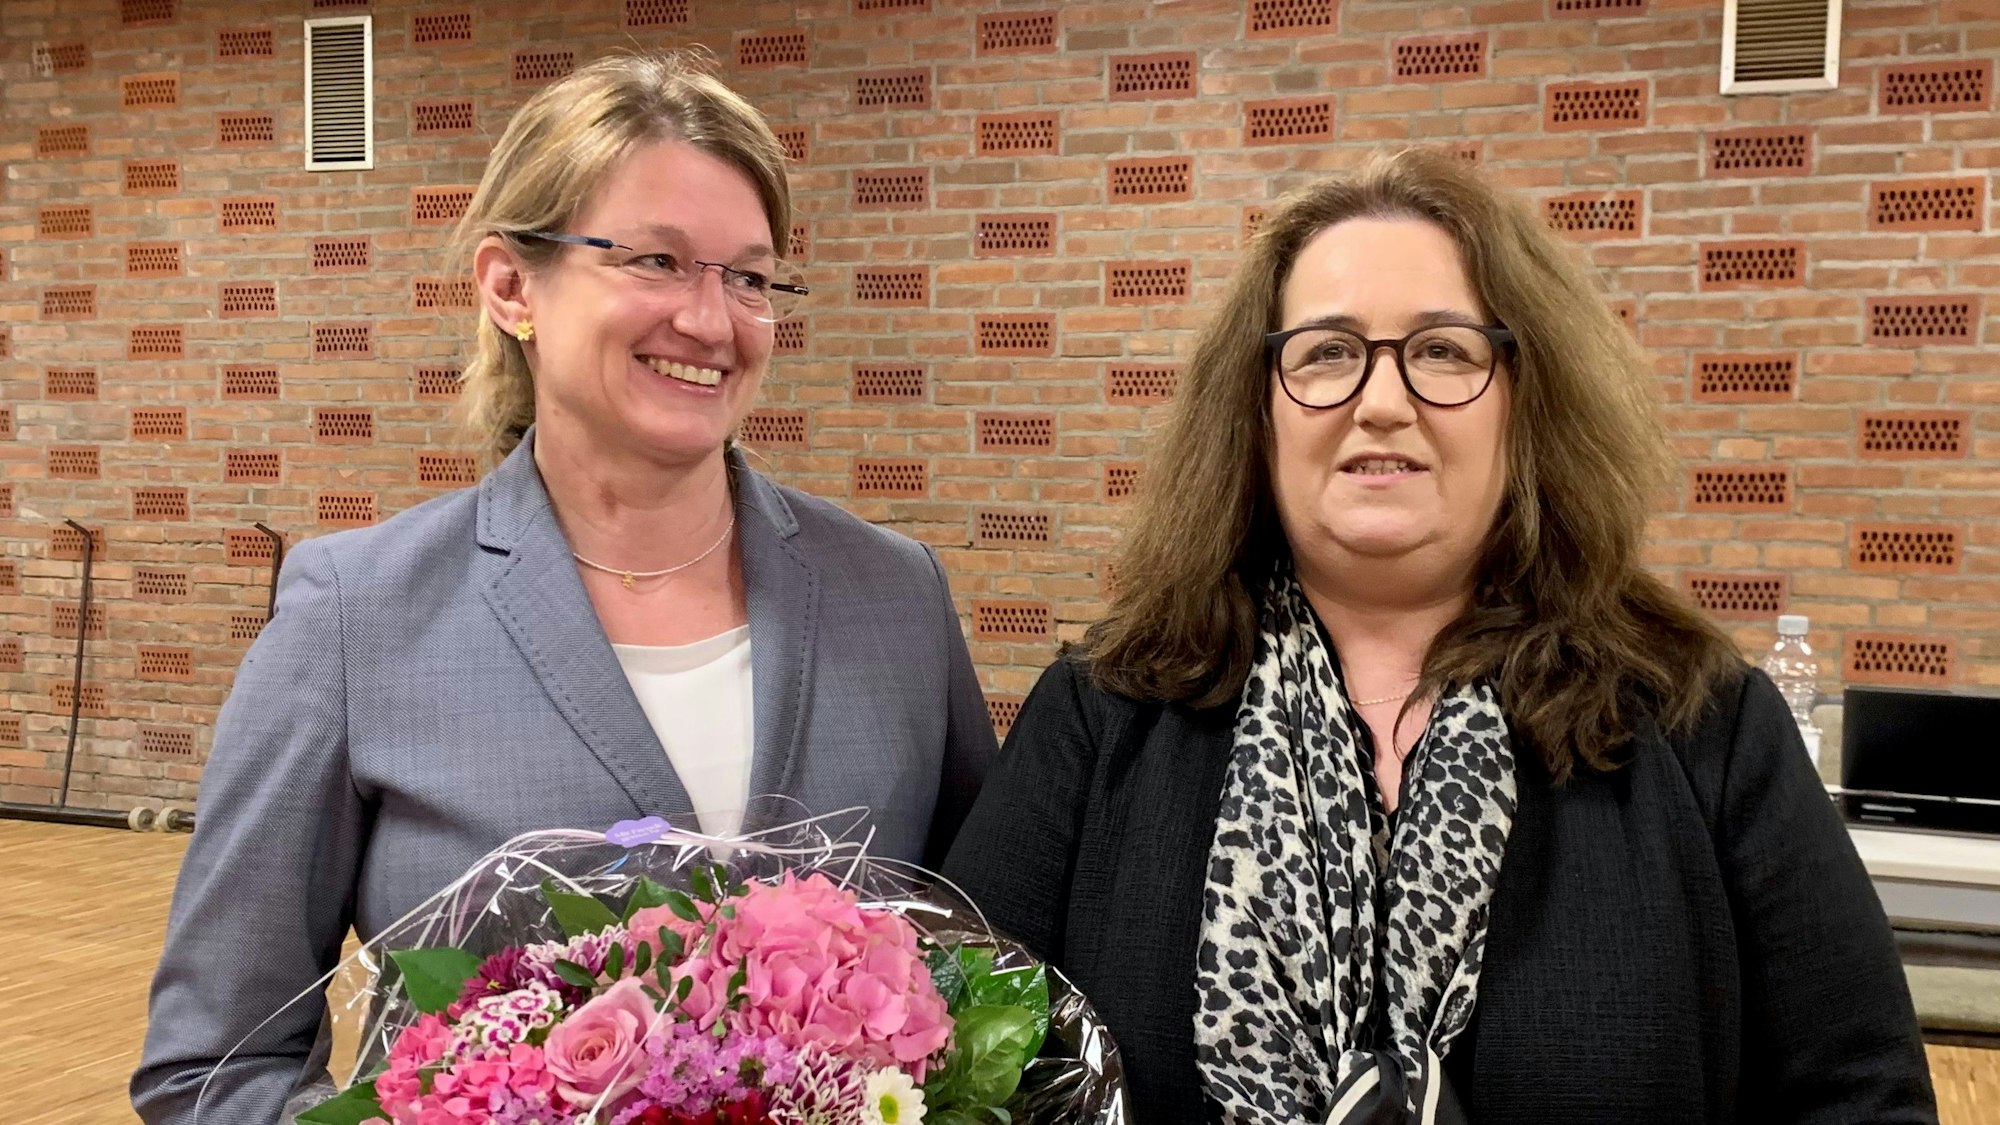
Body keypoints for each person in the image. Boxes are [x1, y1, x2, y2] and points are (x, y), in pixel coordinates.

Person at [942, 149, 1936, 1124]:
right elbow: (961, 1080)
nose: (1380, 402)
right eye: (1324, 352)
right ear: (1256, 412)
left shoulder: (1699, 722)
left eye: (1443, 352)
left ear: (1525, 402)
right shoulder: (1104, 711)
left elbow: (1857, 1095)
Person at [134, 53, 996, 1124]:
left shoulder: (894, 595)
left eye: (749, 276)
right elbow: (213, 1067)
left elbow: (990, 981)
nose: (712, 319)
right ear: (509, 285)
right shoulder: (358, 616)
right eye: (657, 261)